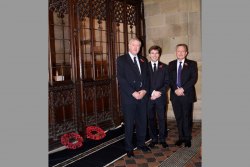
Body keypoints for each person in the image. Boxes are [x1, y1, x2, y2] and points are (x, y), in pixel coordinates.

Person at [116, 37, 151, 157]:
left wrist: (145, 90)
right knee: (129, 123)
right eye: (134, 45)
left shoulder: (143, 60)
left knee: (142, 121)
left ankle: (141, 144)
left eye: (138, 46)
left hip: (142, 96)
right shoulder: (121, 60)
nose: (136, 48)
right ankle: (129, 147)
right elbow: (121, 79)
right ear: (129, 46)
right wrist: (133, 92)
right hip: (129, 97)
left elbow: (147, 77)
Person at [168, 44, 198, 147]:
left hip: (187, 94)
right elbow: (169, 80)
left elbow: (193, 79)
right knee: (179, 117)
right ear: (176, 52)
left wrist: (182, 89)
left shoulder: (192, 64)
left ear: (186, 53)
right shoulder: (171, 64)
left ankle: (187, 138)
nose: (180, 53)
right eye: (178, 51)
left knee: (187, 117)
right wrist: (175, 89)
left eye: (182, 51)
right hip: (175, 95)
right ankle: (181, 137)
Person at [147, 45, 170, 148]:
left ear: (159, 54)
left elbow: (167, 82)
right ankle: (154, 138)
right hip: (149, 98)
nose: (154, 55)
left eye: (156, 53)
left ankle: (162, 139)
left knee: (162, 118)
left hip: (161, 98)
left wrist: (159, 92)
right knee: (151, 118)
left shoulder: (165, 67)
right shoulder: (144, 67)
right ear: (149, 55)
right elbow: (143, 83)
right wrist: (152, 93)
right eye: (152, 53)